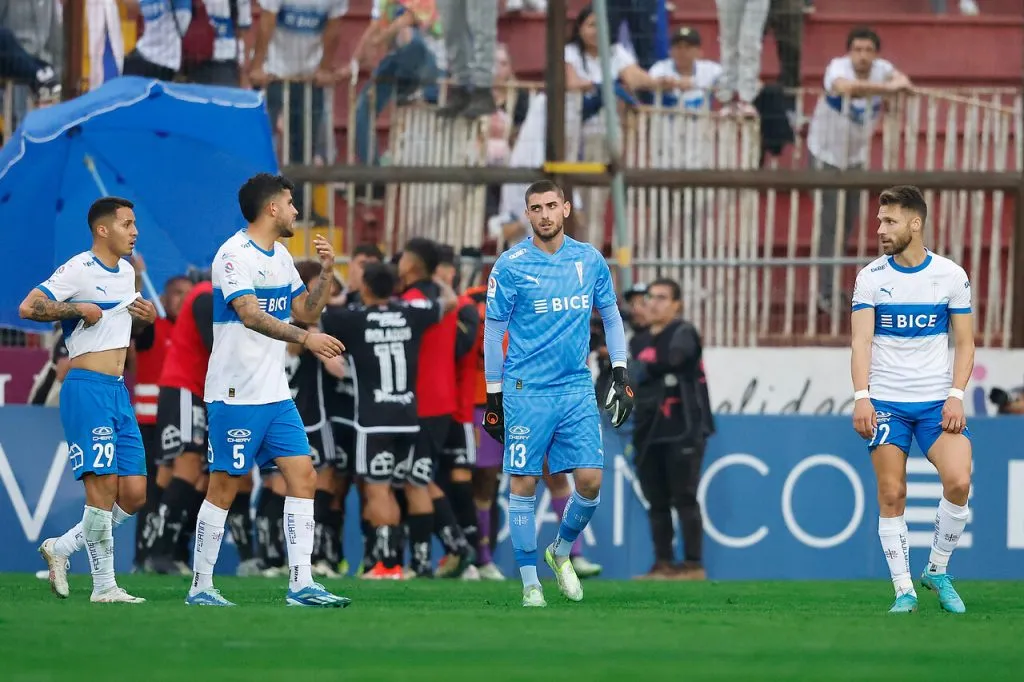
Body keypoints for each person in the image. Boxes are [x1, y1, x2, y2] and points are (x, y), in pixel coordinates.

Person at [185, 173, 348, 607]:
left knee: (304, 475)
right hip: (236, 392)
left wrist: (328, 273)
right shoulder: (233, 254)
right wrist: (305, 339)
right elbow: (250, 315)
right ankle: (201, 586)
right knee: (224, 485)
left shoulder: (279, 255)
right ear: (271, 208)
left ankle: (301, 583)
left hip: (275, 394)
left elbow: (305, 310)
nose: (297, 211)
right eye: (291, 203)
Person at [482, 179, 633, 607]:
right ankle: (530, 582)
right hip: (525, 390)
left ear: (565, 209)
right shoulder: (510, 266)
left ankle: (561, 550)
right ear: (527, 215)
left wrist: (620, 372)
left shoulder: (588, 259)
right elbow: (494, 332)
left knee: (590, 480)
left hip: (575, 386)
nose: (545, 214)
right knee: (524, 482)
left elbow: (611, 316)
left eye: (552, 205)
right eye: (536, 208)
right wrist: (494, 395)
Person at [24, 196, 158, 603]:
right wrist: (76, 306)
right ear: (103, 229)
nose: (135, 231)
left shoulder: (129, 273)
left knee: (134, 494)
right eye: (127, 224)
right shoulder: (80, 267)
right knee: (101, 491)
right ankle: (104, 586)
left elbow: (117, 330)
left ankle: (61, 547)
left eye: (135, 224)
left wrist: (143, 318)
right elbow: (30, 306)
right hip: (86, 387)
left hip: (118, 390)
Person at [850, 185, 974, 615]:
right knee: (892, 491)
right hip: (887, 402)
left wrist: (956, 396)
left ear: (915, 223)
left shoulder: (951, 276)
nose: (880, 229)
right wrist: (862, 397)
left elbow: (965, 342)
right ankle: (905, 590)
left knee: (958, 482)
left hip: (936, 402)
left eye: (890, 221)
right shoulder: (870, 277)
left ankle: (937, 569)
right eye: (880, 221)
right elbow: (861, 342)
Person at [321, 262, 458, 578]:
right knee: (406, 485)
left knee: (378, 490)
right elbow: (450, 302)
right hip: (409, 418)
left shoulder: (354, 319)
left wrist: (345, 297)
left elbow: (315, 313)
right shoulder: (412, 313)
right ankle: (400, 562)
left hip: (374, 421)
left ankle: (387, 563)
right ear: (394, 288)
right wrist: (440, 280)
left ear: (365, 288)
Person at [807, 26, 911, 310]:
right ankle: (825, 293)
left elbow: (903, 81)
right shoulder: (837, 67)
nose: (862, 56)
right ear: (849, 52)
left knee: (846, 225)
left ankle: (836, 289)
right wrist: (888, 89)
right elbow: (844, 87)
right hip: (824, 155)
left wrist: (896, 84)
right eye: (857, 50)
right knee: (830, 224)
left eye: (868, 51)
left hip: (855, 159)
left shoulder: (882, 69)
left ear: (875, 54)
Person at [398, 238, 474, 577]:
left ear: (412, 266)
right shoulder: (446, 301)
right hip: (441, 401)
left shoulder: (412, 301)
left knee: (415, 480)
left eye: (403, 259)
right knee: (419, 478)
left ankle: (428, 560)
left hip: (420, 403)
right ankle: (453, 547)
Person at [629, 278, 714, 580]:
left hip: (683, 427)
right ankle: (663, 564)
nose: (654, 303)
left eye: (662, 298)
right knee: (656, 500)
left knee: (684, 496)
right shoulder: (637, 341)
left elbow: (674, 359)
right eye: (651, 297)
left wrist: (639, 369)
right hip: (648, 429)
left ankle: (693, 565)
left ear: (677, 304)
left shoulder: (683, 332)